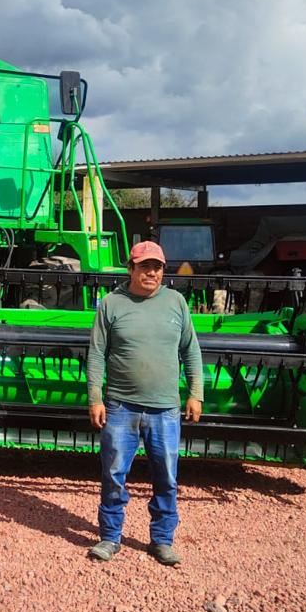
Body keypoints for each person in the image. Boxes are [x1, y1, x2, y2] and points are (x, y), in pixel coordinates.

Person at [85, 240, 203, 566]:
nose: (151, 272)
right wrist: (95, 397)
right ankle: (110, 538)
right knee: (113, 475)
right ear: (130, 269)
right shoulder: (111, 304)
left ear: (163, 270)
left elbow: (191, 350)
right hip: (121, 406)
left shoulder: (176, 302)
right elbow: (96, 354)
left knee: (166, 477)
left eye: (158, 267)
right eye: (145, 266)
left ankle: (162, 540)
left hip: (165, 408)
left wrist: (196, 392)